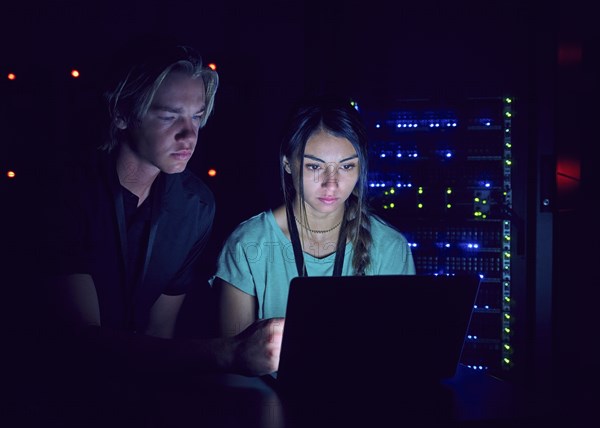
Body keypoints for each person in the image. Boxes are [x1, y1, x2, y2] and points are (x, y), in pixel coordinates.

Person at [43, 43, 283, 380]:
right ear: (122, 114)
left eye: (197, 116)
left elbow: (159, 334)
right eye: (170, 116)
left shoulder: (194, 206)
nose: (190, 134)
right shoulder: (68, 194)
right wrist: (227, 354)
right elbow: (80, 343)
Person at [212, 95, 416, 342]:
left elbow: (398, 350)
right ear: (287, 163)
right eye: (315, 166)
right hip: (271, 383)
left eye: (347, 167)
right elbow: (233, 363)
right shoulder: (248, 243)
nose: (332, 183)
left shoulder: (390, 246)